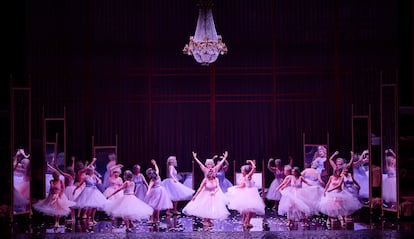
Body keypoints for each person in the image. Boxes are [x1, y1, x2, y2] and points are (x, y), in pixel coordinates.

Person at [226, 160, 265, 229]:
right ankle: (247, 222)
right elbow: (253, 168)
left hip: (247, 192)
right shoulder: (247, 177)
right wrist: (251, 162)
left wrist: (251, 163)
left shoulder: (246, 176)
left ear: (245, 171)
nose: (241, 171)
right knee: (250, 209)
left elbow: (253, 168)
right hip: (250, 193)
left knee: (246, 208)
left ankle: (244, 221)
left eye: (242, 170)